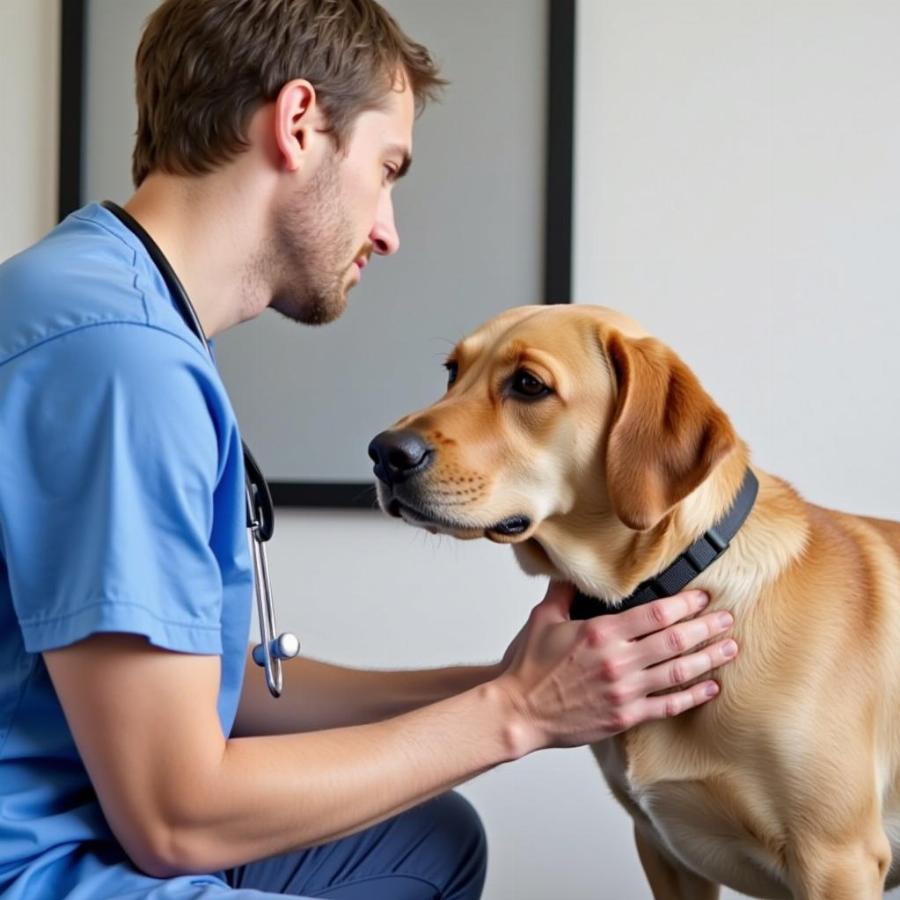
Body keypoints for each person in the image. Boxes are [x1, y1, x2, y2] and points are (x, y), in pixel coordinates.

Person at [0, 1, 738, 897]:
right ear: (299, 123)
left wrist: (500, 681)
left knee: (424, 843)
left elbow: (207, 685)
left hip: (73, 799)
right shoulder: (119, 365)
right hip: (39, 862)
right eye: (387, 169)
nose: (388, 230)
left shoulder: (93, 296)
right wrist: (517, 715)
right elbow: (174, 816)